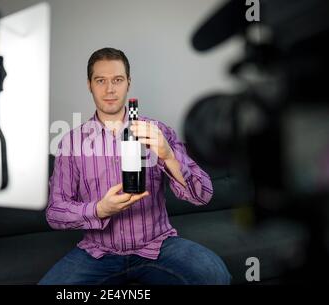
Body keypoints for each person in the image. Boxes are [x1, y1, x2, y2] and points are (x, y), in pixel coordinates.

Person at [39, 47, 231, 285]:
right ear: (89, 84)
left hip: (158, 246)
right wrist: (99, 209)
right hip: (97, 252)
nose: (110, 89)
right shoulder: (71, 142)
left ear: (128, 83)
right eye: (101, 80)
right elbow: (55, 213)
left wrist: (168, 155)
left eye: (117, 80)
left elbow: (203, 195)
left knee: (215, 276)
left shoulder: (157, 131)